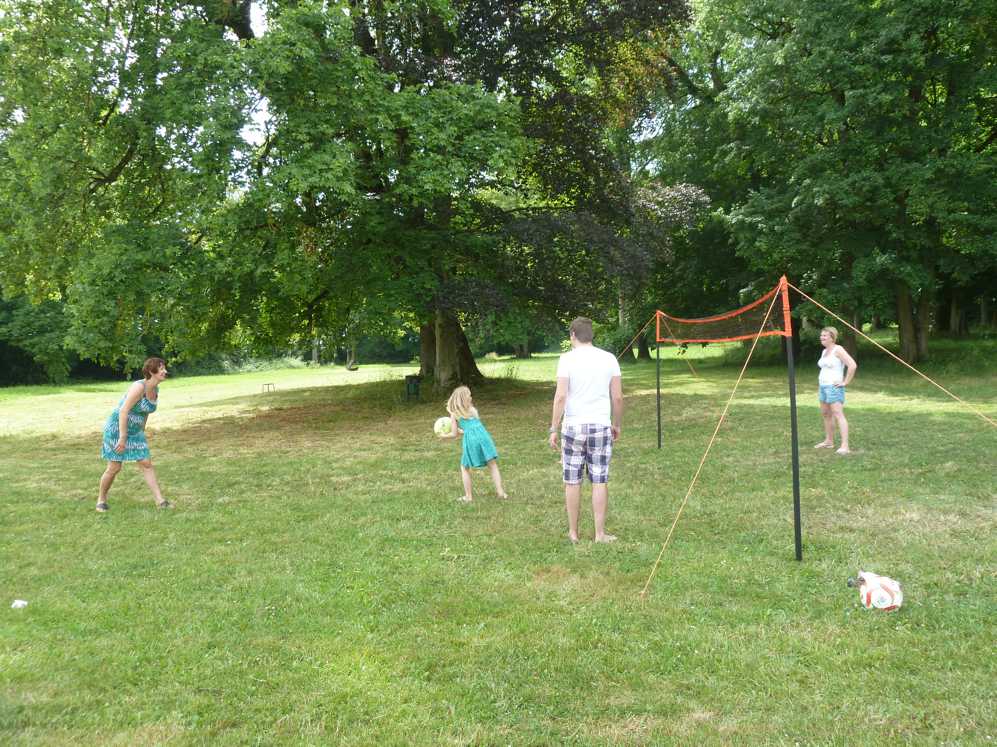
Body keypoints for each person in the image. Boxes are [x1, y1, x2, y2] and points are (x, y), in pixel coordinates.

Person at [548, 317, 623, 543]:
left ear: (573, 335)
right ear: (591, 335)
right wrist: (616, 424)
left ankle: (573, 533)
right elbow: (618, 397)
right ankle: (600, 534)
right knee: (599, 479)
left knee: (572, 480)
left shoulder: (566, 359)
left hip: (573, 427)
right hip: (601, 425)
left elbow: (560, 396)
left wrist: (553, 427)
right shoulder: (609, 358)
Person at [96, 357, 173, 512]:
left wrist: (141, 430)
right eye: (161, 368)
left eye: (164, 367)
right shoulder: (139, 387)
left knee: (146, 463)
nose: (165, 371)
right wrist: (123, 437)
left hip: (135, 431)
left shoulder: (155, 389)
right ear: (152, 371)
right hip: (117, 430)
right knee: (114, 467)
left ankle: (160, 501)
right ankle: (101, 500)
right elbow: (123, 410)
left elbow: (146, 411)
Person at [439, 386, 508, 503]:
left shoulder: (454, 413)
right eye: (469, 395)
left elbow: (454, 434)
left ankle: (468, 496)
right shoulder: (471, 409)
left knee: (464, 467)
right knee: (492, 464)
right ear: (464, 399)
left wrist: (443, 436)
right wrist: (463, 431)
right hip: (483, 435)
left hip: (471, 440)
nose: (471, 397)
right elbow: (472, 428)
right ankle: (501, 492)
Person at [813, 326, 857, 455]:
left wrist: (845, 382)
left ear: (832, 337)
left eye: (825, 335)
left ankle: (845, 446)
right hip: (823, 386)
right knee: (826, 414)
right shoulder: (824, 351)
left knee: (838, 414)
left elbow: (852, 365)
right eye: (821, 335)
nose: (822, 337)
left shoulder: (838, 350)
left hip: (834, 387)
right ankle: (829, 441)